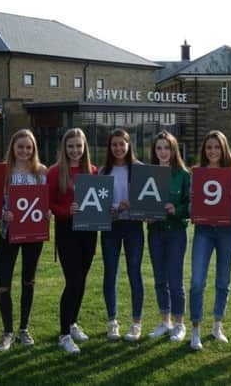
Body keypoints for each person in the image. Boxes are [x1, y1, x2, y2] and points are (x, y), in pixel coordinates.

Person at [0, 129, 47, 351]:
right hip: (9, 234)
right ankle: (7, 331)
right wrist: (1, 214)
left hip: (33, 235)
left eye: (28, 147)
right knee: (3, 284)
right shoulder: (3, 172)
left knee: (28, 281)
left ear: (33, 149)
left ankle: (24, 329)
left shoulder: (41, 172)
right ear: (13, 148)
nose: (24, 151)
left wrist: (47, 212)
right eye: (20, 146)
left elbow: (46, 203)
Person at [189, 130, 231, 351]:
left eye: (217, 147)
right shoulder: (197, 174)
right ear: (204, 150)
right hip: (203, 230)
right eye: (209, 147)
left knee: (223, 281)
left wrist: (230, 214)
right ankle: (195, 329)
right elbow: (191, 201)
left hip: (226, 231)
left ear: (224, 149)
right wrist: (196, 212)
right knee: (197, 281)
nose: (212, 151)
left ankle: (217, 324)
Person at [47, 128, 97, 354]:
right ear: (64, 148)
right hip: (67, 231)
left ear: (84, 147)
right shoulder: (55, 172)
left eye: (79, 146)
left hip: (88, 231)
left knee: (82, 280)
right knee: (73, 281)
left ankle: (73, 322)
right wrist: (66, 210)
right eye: (71, 146)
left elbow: (99, 202)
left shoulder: (93, 171)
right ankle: (64, 334)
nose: (75, 150)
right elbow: (49, 204)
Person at [100, 128, 145, 342]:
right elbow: (97, 204)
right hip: (111, 228)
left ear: (129, 145)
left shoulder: (139, 169)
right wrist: (106, 209)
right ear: (110, 147)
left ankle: (136, 323)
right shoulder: (102, 172)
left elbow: (148, 200)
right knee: (111, 274)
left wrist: (133, 204)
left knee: (134, 274)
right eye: (114, 144)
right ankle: (112, 322)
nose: (118, 148)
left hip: (133, 226)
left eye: (122, 144)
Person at [146, 131, 190, 342]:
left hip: (176, 233)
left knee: (175, 280)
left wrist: (177, 209)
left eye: (166, 147)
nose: (163, 152)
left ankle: (180, 324)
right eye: (159, 148)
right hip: (155, 233)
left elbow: (191, 206)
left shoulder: (183, 174)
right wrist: (145, 215)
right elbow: (142, 202)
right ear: (154, 151)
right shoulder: (148, 174)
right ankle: (165, 321)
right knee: (159, 279)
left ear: (174, 150)